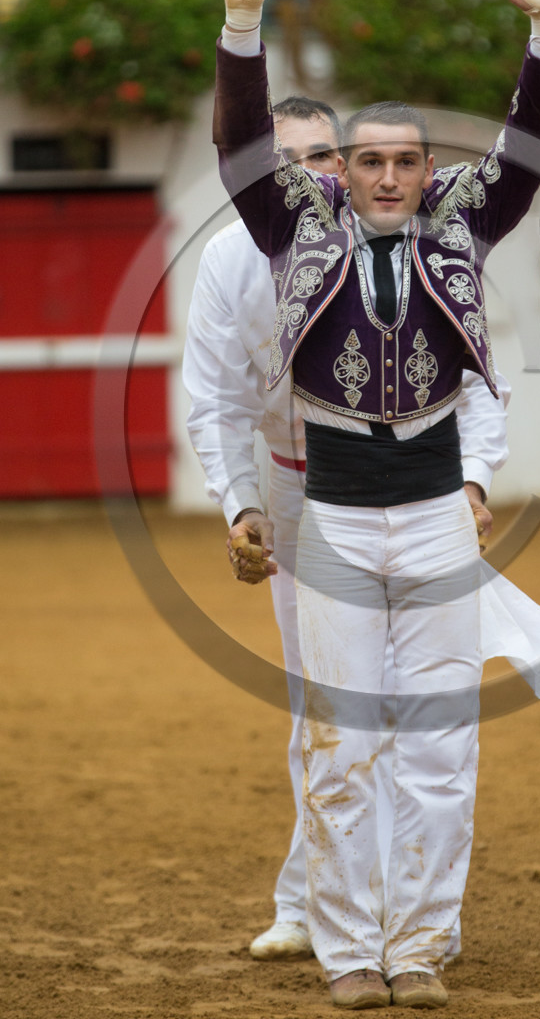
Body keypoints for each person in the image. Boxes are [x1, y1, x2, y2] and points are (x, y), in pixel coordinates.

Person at [214, 0, 540, 1009]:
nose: (382, 176)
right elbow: (238, 150)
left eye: (403, 162)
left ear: (428, 171)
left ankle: (416, 949)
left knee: (434, 749)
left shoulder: (461, 225)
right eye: (366, 161)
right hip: (329, 519)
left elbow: (526, 152)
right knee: (341, 743)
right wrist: (242, 21)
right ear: (344, 173)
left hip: (426, 515)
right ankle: (346, 955)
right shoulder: (300, 227)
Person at [183, 94, 513, 964]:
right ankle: (316, 906)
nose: (313, 173)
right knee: (325, 712)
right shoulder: (230, 259)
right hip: (302, 496)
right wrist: (240, 504)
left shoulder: (400, 238)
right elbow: (216, 400)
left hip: (414, 487)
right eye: (291, 159)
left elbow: (473, 372)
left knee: (415, 713)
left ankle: (402, 924)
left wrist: (474, 481)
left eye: (327, 156)